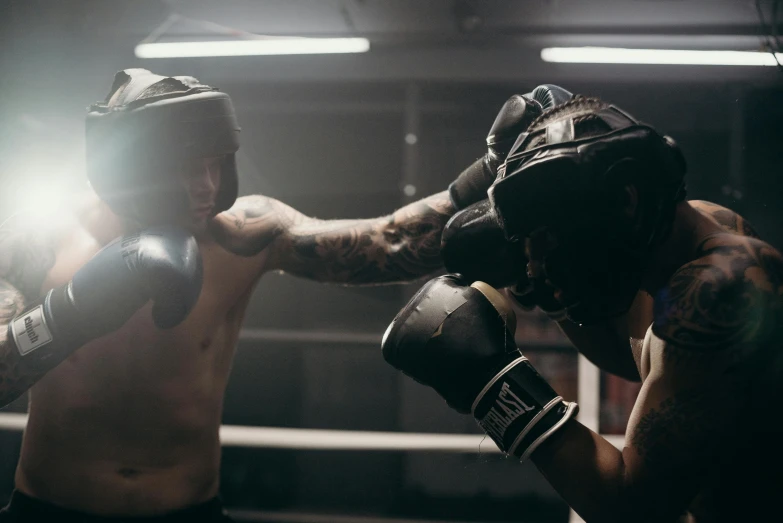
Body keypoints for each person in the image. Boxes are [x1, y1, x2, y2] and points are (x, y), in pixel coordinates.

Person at [0, 68, 572, 521]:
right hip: (48, 510)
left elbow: (388, 242)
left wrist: (491, 175)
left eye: (214, 165)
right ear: (125, 165)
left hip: (185, 512)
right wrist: (68, 315)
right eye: (182, 167)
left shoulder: (243, 234)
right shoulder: (39, 238)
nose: (205, 186)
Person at [383, 96, 783, 522]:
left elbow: (635, 512)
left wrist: (495, 386)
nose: (535, 268)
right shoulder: (679, 243)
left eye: (547, 240)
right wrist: (550, 296)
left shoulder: (720, 289)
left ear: (624, 200)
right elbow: (639, 362)